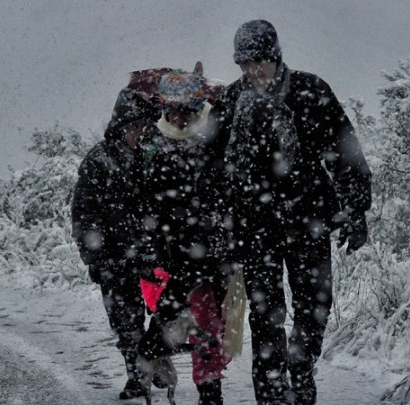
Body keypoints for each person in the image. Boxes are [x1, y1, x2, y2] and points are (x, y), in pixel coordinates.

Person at [209, 20, 372, 404]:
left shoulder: (309, 91)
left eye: (259, 62)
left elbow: (344, 152)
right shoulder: (232, 102)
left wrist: (355, 209)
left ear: (275, 56)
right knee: (265, 316)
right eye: (244, 65)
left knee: (315, 306)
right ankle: (271, 392)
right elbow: (212, 170)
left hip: (308, 219)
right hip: (254, 225)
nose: (252, 72)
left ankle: (301, 367)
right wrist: (220, 224)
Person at [133, 68, 231, 405]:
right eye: (173, 110)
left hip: (212, 253)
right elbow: (145, 204)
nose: (179, 118)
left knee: (208, 324)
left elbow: (228, 194)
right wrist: (148, 248)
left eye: (186, 110)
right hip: (174, 255)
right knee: (189, 322)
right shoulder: (152, 147)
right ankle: (202, 387)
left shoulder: (216, 140)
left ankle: (209, 390)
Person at [70, 87, 163, 400]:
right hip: (114, 257)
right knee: (125, 319)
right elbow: (84, 212)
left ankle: (155, 359)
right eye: (135, 127)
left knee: (163, 311)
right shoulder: (98, 160)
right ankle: (137, 374)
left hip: (151, 253)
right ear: (122, 125)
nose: (139, 133)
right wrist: (94, 256)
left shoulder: (152, 156)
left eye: (144, 128)